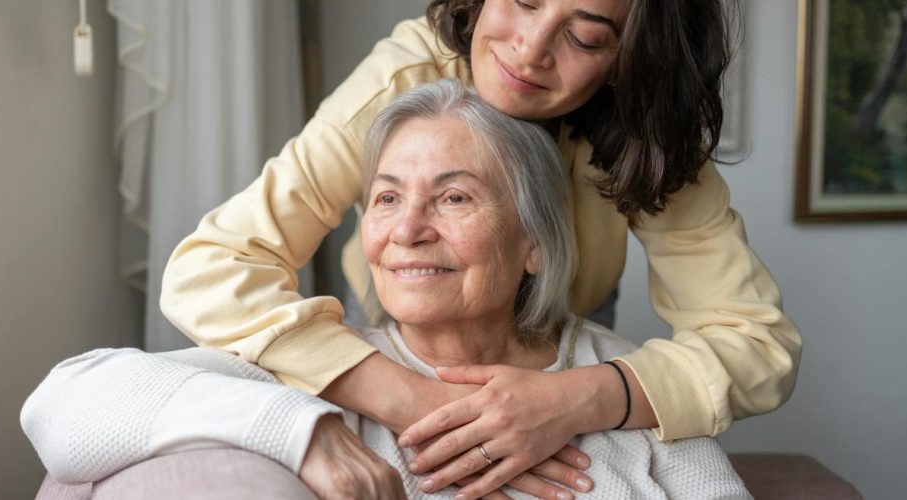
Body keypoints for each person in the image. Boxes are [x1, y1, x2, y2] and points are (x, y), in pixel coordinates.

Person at [160, 0, 801, 498]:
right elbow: (211, 269)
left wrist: (574, 398)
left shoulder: (649, 134)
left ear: (632, 58)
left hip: (571, 339)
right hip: (394, 342)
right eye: (522, 0)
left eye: (584, 36)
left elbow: (757, 344)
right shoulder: (402, 79)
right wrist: (409, 397)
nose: (529, 49)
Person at [22, 80, 752, 499]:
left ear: (534, 241)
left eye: (455, 198)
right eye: (385, 198)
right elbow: (62, 402)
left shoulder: (623, 389)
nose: (407, 231)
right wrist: (301, 432)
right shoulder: (318, 371)